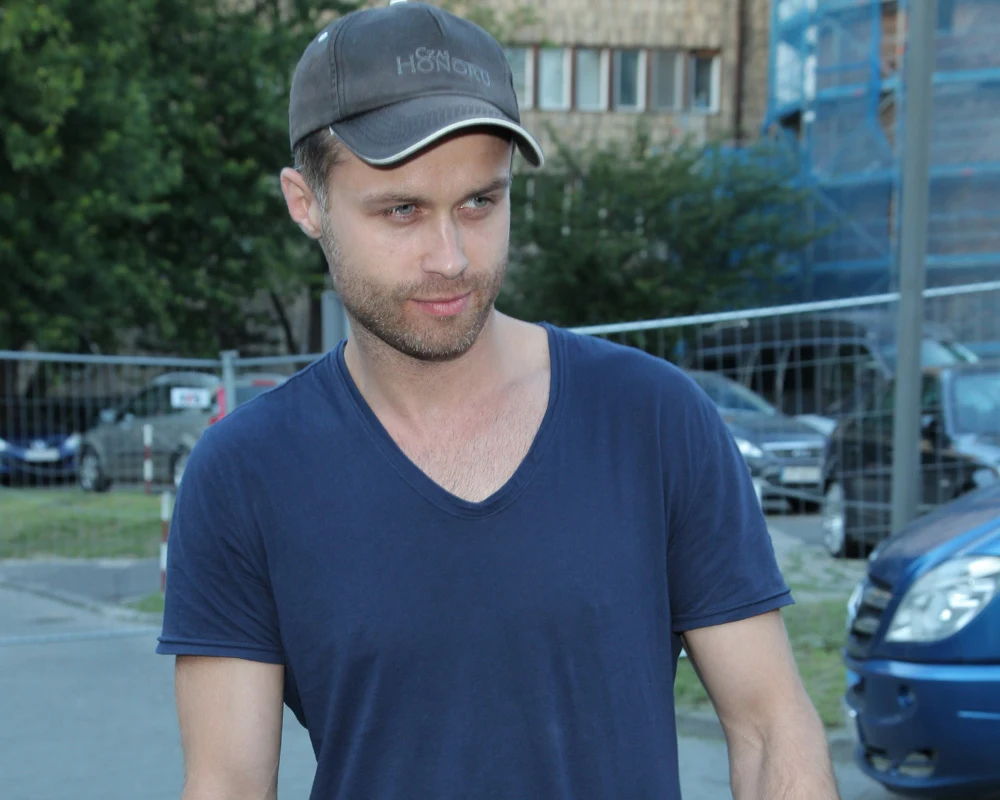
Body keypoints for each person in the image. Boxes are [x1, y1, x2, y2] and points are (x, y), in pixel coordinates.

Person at [156, 2, 843, 798]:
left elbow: (770, 727)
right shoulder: (245, 473)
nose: (450, 257)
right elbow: (228, 783)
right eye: (402, 210)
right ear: (305, 202)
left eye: (480, 202)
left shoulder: (651, 420)